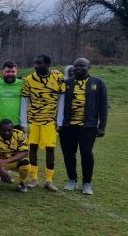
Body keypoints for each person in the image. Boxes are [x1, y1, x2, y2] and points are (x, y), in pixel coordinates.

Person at [60, 58, 108, 195]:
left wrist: (102, 126)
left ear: (89, 67)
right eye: (76, 66)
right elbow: (59, 104)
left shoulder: (98, 83)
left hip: (88, 127)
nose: (79, 68)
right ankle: (72, 180)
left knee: (86, 153)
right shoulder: (66, 83)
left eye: (82, 66)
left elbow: (103, 106)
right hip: (68, 127)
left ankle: (87, 183)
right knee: (68, 154)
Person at [20, 54, 65, 192]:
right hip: (33, 120)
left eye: (39, 63)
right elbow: (24, 101)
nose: (36, 66)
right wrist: (23, 122)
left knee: (50, 149)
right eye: (35, 63)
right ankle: (34, 179)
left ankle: (49, 180)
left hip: (49, 121)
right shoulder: (29, 79)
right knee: (32, 148)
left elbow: (61, 100)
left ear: (47, 64)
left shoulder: (58, 78)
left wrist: (59, 121)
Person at [0, 119, 30, 193]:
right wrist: (0, 168)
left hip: (14, 162)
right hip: (0, 163)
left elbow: (25, 152)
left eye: (9, 130)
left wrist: (6, 161)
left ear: (13, 129)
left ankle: (21, 182)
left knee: (26, 163)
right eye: (4, 130)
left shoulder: (19, 134)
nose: (7, 133)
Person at [0, 60, 24, 134]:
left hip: (17, 123)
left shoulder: (23, 83)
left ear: (16, 72)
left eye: (13, 72)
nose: (10, 74)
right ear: (2, 72)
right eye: (7, 72)